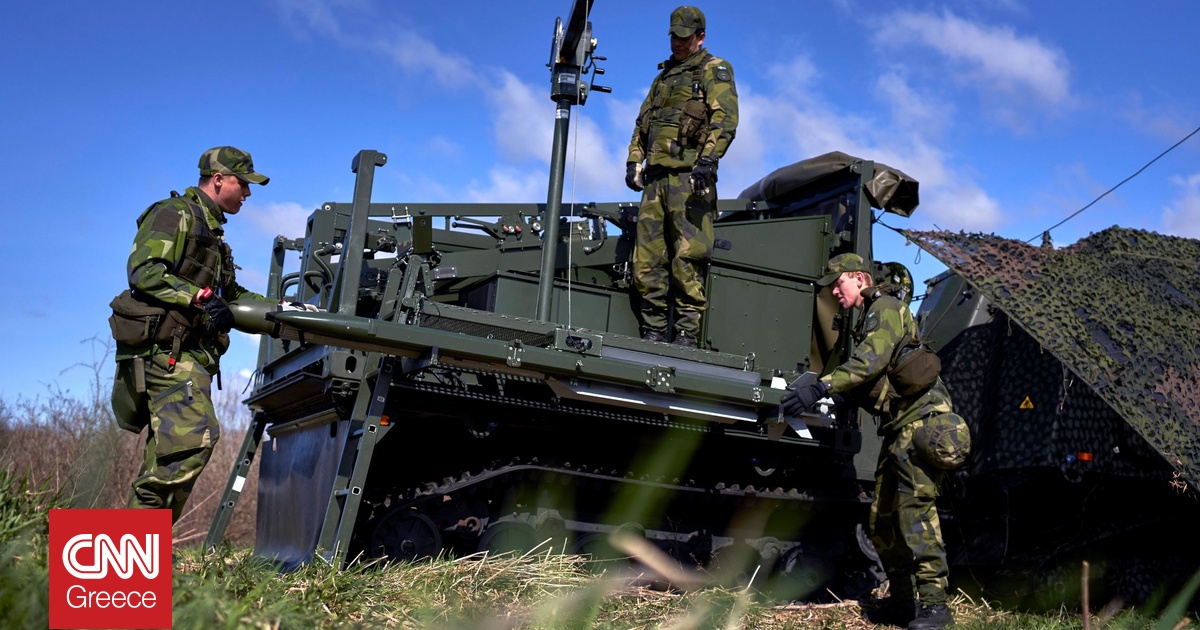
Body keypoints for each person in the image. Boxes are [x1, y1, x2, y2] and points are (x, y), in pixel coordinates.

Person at [781, 253, 961, 630]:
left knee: (916, 514)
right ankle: (902, 603)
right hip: (898, 428)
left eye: (838, 281)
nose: (833, 289)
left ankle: (935, 606)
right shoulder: (869, 315)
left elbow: (869, 362)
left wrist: (822, 386)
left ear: (859, 278)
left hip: (922, 421)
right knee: (883, 521)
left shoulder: (886, 307)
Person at [109, 146, 275, 524]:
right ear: (218, 179)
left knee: (170, 453)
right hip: (166, 351)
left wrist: (279, 308)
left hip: (191, 356)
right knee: (193, 440)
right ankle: (133, 544)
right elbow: (145, 271)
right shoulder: (175, 214)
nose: (247, 194)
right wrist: (197, 297)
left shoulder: (214, 236)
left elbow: (231, 296)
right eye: (243, 184)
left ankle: (140, 553)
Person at [625, 5, 738, 348]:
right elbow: (642, 124)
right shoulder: (662, 78)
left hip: (690, 181)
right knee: (647, 261)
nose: (678, 42)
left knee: (687, 259)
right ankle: (654, 330)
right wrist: (634, 161)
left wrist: (707, 163)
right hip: (655, 181)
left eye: (685, 37)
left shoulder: (714, 69)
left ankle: (686, 334)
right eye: (674, 35)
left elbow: (725, 119)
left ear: (700, 36)